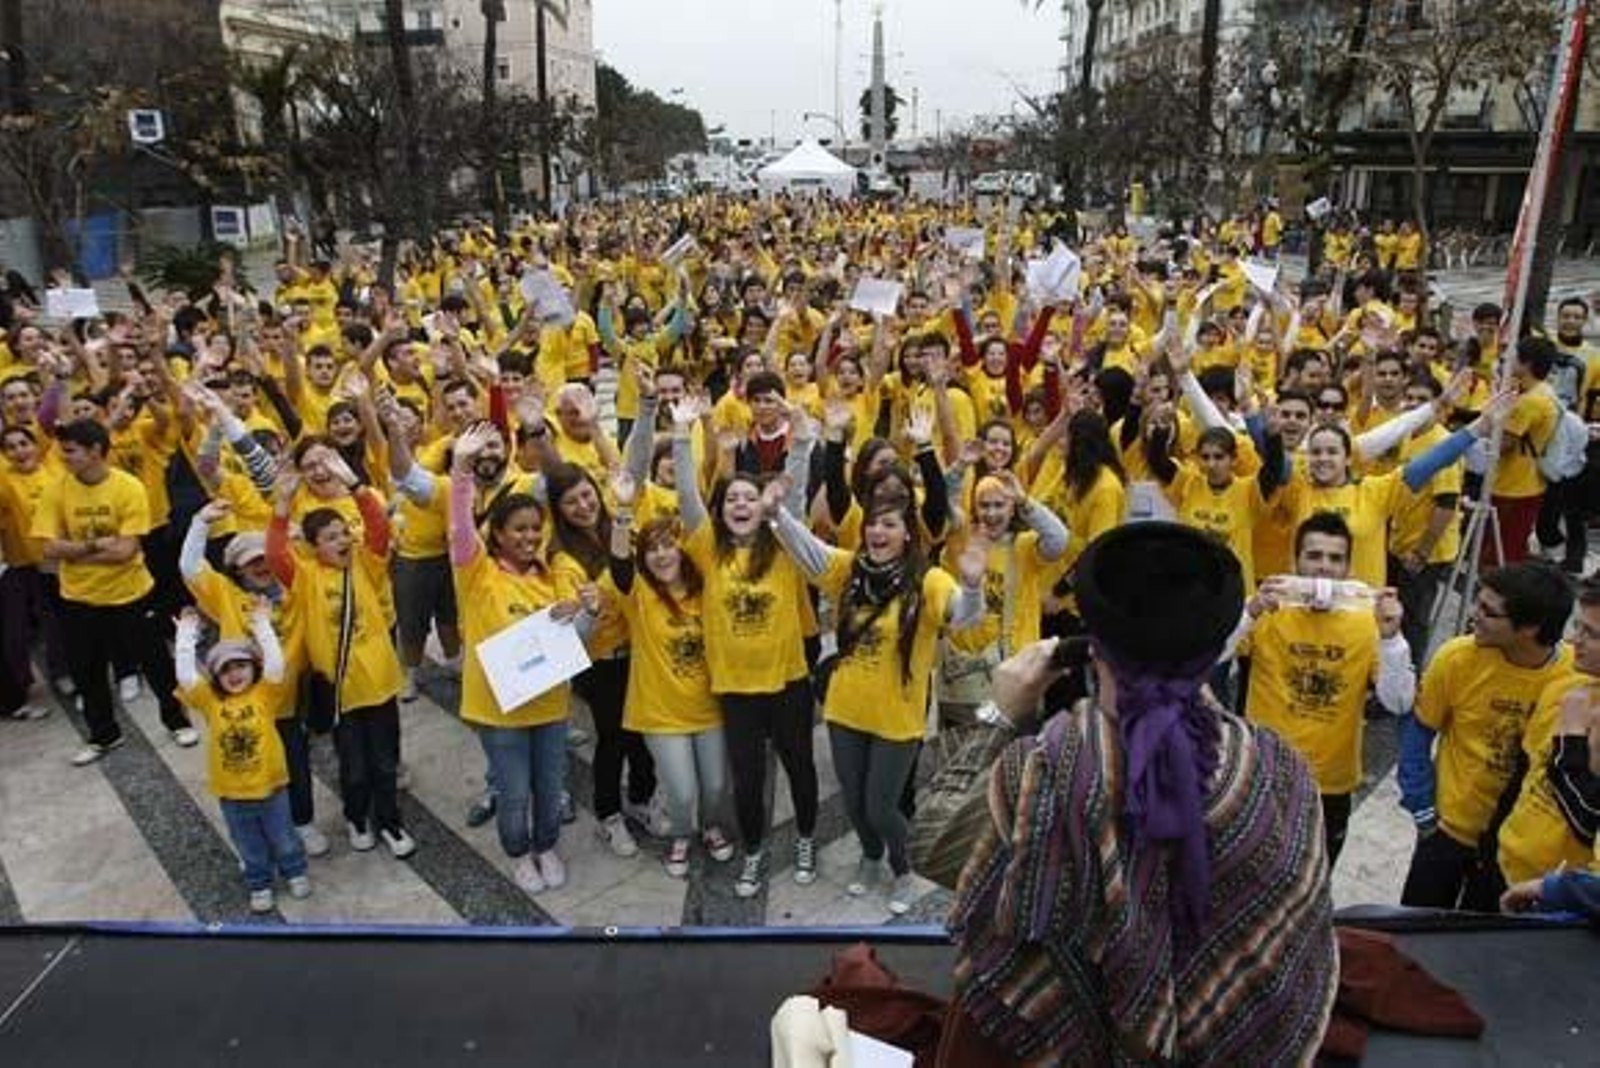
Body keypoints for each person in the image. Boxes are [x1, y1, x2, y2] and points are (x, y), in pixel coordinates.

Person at [935, 522, 1335, 1064]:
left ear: (1092, 647)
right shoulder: (1280, 767)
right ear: (1215, 649)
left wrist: (1000, 713)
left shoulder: (1046, 771)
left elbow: (935, 843)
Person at [768, 475, 988, 914]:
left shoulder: (929, 581)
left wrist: (972, 586)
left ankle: (904, 870)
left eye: (889, 524)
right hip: (845, 708)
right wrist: (777, 515)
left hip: (897, 717)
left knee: (882, 807)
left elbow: (961, 617)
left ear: (907, 532)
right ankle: (870, 857)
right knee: (854, 801)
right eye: (872, 523)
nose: (877, 531)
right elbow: (811, 552)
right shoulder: (850, 570)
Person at [672, 393, 820, 899]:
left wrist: (801, 440)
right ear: (721, 509)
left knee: (800, 765)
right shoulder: (707, 548)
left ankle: (806, 838)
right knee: (747, 778)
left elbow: (793, 496)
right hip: (735, 690)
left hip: (789, 682)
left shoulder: (783, 543)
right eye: (732, 498)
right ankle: (753, 850)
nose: (740, 504)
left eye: (749, 498)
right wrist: (681, 434)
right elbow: (687, 497)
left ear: (763, 508)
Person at [447, 422, 595, 894]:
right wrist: (461, 468)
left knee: (550, 787)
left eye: (535, 529)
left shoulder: (552, 576)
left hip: (550, 707)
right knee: (512, 793)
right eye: (519, 530)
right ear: (498, 534)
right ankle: (518, 853)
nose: (529, 537)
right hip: (500, 711)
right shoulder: (478, 573)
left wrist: (586, 610)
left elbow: (576, 639)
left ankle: (546, 845)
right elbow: (460, 529)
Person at [1229, 512, 1415, 863]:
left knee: (1316, 876)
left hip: (1329, 784)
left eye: (1335, 559)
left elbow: (1399, 702)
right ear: (1295, 561)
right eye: (1314, 556)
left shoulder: (1368, 623)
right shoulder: (1267, 610)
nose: (1324, 567)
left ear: (1348, 568)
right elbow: (1210, 656)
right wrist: (1249, 613)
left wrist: (1392, 638)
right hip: (1263, 775)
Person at [1399, 561, 1577, 910]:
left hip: (1512, 846)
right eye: (1478, 603)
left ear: (1529, 628)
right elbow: (1418, 731)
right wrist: (1422, 810)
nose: (1473, 615)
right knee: (1416, 928)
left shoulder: (1574, 673)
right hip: (1447, 831)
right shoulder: (1456, 658)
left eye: (1489, 612)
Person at [266, 462, 416, 860]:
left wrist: (355, 485)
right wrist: (281, 508)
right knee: (353, 766)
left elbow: (379, 528)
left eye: (345, 532)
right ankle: (357, 817)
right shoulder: (306, 577)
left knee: (384, 762)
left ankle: (390, 821)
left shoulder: (366, 563)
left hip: (380, 685)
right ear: (313, 547)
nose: (343, 540)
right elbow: (276, 555)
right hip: (339, 694)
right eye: (331, 537)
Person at [33, 418, 196, 765]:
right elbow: (47, 548)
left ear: (95, 451)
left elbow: (126, 551)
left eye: (71, 451)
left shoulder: (128, 487)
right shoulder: (56, 489)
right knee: (87, 670)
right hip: (78, 597)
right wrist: (94, 545)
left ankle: (177, 720)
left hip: (131, 594)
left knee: (156, 663)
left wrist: (72, 549)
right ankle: (103, 734)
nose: (63, 457)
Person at [606, 469, 736, 878]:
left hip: (709, 708)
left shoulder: (705, 589)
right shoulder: (640, 595)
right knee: (682, 790)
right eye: (652, 550)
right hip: (661, 713)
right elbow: (618, 564)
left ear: (683, 550)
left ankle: (710, 827)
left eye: (668, 546)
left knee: (715, 786)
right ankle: (682, 834)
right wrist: (623, 509)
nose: (661, 555)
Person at [174, 601, 309, 914]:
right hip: (232, 793)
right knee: (248, 843)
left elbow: (276, 664)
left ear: (253, 668)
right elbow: (186, 677)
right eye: (225, 669)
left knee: (284, 836)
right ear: (215, 677)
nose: (234, 674)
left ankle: (294, 870)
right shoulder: (209, 701)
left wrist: (261, 625)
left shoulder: (265, 693)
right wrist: (185, 637)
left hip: (272, 786)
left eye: (241, 666)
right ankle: (259, 882)